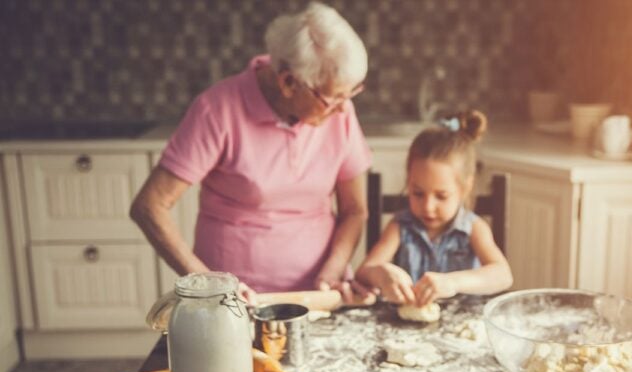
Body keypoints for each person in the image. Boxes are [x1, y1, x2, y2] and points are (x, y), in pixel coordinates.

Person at [130, 2, 370, 301]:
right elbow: (149, 207)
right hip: (235, 300)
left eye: (350, 94)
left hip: (318, 295)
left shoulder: (340, 110)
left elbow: (355, 210)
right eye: (332, 99)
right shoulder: (217, 110)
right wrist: (211, 285)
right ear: (288, 82)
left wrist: (334, 268)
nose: (343, 108)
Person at [355, 110, 513, 307]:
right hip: (405, 330)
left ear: (465, 188)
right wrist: (381, 274)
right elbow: (363, 272)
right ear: (408, 182)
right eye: (418, 193)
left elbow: (503, 275)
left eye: (441, 196)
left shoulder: (473, 228)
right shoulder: (399, 226)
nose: (428, 207)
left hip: (464, 328)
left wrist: (453, 282)